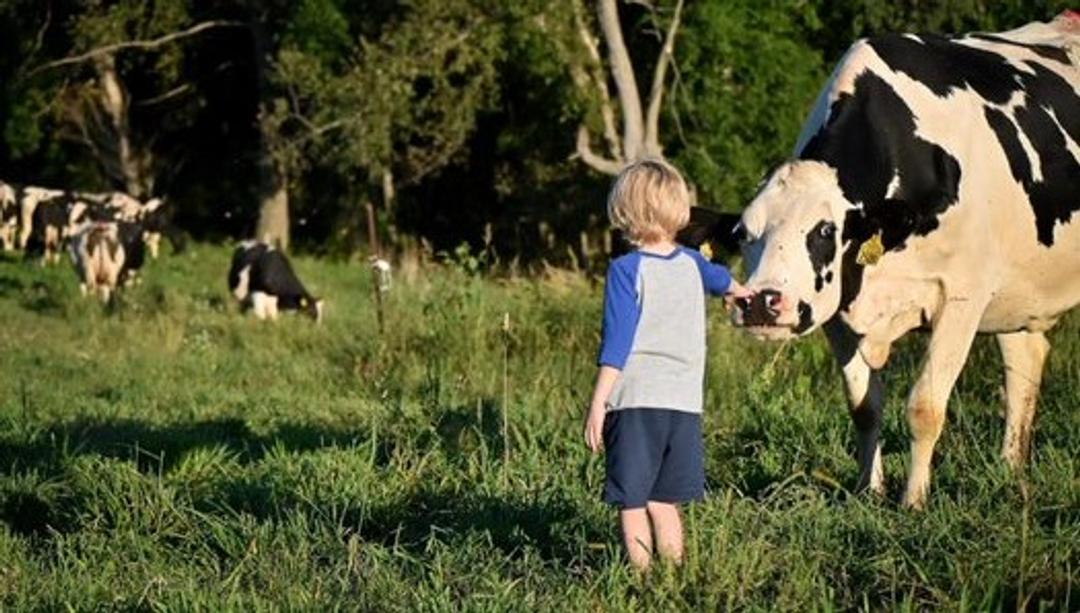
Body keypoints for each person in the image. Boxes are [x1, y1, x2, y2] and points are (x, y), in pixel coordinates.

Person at [583, 158, 752, 570]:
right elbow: (724, 280)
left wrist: (598, 402)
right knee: (664, 501)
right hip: (683, 405)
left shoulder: (626, 270)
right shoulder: (694, 264)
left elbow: (618, 341)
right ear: (678, 210)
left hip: (636, 402)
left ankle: (641, 583)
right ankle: (675, 580)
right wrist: (743, 293)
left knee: (632, 501)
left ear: (625, 212)